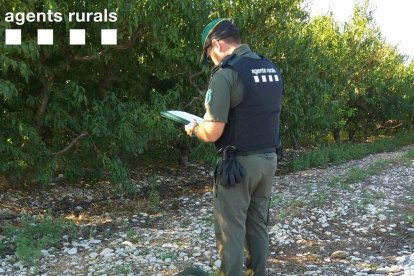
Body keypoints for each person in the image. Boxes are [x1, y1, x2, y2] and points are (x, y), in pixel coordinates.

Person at [184, 18, 283, 276]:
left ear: (216, 44)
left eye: (208, 55)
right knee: (258, 224)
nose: (211, 61)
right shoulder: (269, 67)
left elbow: (214, 130)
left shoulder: (227, 73)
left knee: (232, 230)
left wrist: (195, 128)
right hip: (268, 160)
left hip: (238, 167)